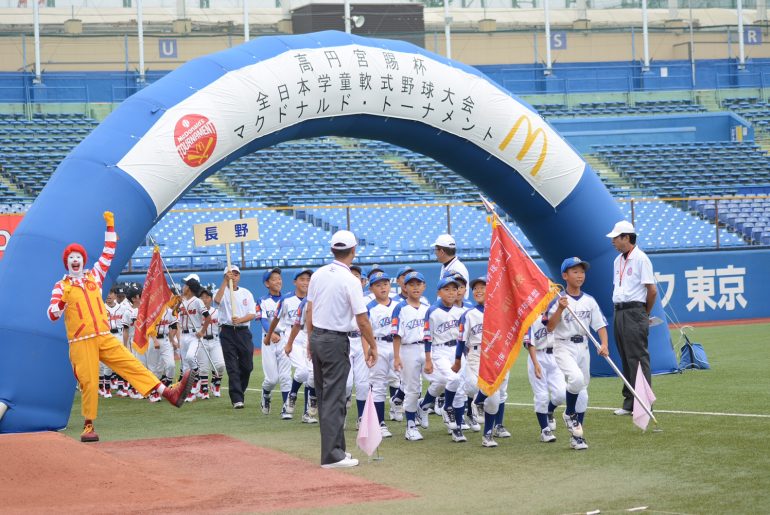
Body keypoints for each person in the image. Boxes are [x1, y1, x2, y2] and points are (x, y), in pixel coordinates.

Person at [46, 211, 194, 442]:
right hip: (81, 341)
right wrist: (62, 301)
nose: (75, 260)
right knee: (89, 381)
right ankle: (88, 426)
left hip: (103, 336)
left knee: (131, 364)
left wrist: (110, 227)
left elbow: (109, 252)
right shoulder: (60, 286)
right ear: (66, 261)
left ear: (83, 260)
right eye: (71, 257)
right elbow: (52, 314)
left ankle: (169, 393)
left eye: (78, 256)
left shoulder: (94, 276)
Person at [305, 230, 377, 469]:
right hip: (335, 340)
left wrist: (309, 339)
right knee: (334, 398)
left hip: (318, 336)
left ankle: (337, 450)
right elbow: (362, 319)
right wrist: (373, 345)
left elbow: (310, 310)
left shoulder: (318, 274)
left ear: (332, 249)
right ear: (353, 251)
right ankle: (332, 455)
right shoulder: (351, 280)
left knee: (327, 396)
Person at [546, 257, 609, 451]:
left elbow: (600, 324)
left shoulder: (589, 300)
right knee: (575, 379)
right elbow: (549, 327)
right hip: (563, 345)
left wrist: (604, 344)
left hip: (583, 347)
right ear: (565, 275)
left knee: (583, 393)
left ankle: (577, 437)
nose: (580, 275)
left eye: (582, 271)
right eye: (574, 271)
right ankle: (569, 413)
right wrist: (560, 309)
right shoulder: (558, 300)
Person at [606, 220, 657, 416]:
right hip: (619, 311)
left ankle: (644, 403)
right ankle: (629, 402)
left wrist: (644, 312)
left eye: (616, 238)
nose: (613, 241)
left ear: (626, 237)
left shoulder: (641, 258)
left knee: (637, 357)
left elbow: (651, 290)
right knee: (626, 357)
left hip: (635, 310)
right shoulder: (617, 261)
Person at [420, 276, 466, 442]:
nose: (451, 292)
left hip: (457, 350)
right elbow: (427, 337)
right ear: (439, 292)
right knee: (453, 379)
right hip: (440, 350)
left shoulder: (461, 311)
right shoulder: (432, 311)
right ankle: (447, 407)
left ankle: (457, 430)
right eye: (447, 289)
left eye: (454, 289)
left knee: (459, 391)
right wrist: (428, 359)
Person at [267, 268, 315, 421]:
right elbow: (275, 319)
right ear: (295, 282)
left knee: (312, 375)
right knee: (302, 372)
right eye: (302, 279)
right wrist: (269, 336)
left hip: (309, 336)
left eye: (308, 279)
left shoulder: (315, 300)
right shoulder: (286, 299)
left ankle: (307, 413)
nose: (306, 282)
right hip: (291, 336)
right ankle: (292, 396)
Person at [391, 271, 429, 441]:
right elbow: (397, 335)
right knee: (412, 390)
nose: (415, 287)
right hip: (408, 349)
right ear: (404, 287)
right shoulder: (400, 308)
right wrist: (397, 357)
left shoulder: (428, 307)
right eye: (411, 284)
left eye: (418, 284)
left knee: (443, 379)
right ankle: (411, 426)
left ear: (424, 286)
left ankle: (425, 404)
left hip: (426, 348)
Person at [214, 264, 256, 409]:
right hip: (227, 331)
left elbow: (252, 313)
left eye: (236, 274)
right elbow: (217, 301)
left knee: (247, 366)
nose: (234, 276)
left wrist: (241, 319)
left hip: (243, 331)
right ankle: (237, 398)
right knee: (232, 366)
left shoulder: (246, 293)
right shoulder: (221, 291)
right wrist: (225, 282)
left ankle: (240, 390)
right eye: (230, 274)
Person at [366, 271, 399, 438]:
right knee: (378, 385)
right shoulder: (370, 308)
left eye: (385, 284)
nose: (383, 287)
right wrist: (370, 351)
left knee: (406, 381)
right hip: (378, 344)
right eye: (378, 285)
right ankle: (380, 423)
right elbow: (365, 332)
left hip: (396, 345)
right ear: (371, 288)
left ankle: (402, 407)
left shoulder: (399, 304)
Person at [256, 268, 290, 417]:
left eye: (279, 278)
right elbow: (262, 319)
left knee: (285, 376)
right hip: (268, 340)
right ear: (267, 283)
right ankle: (265, 394)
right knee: (271, 379)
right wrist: (271, 334)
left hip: (284, 339)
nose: (278, 281)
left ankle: (286, 408)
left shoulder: (288, 300)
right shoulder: (262, 300)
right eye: (274, 279)